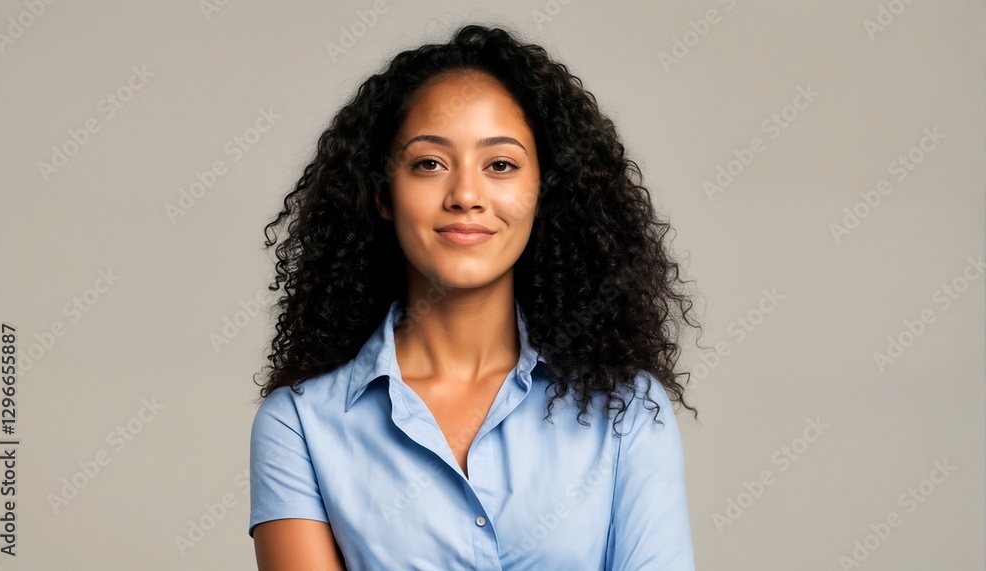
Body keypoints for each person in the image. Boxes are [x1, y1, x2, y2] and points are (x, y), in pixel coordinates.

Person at [248, 23, 702, 570]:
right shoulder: (299, 424)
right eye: (429, 164)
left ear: (544, 193)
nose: (465, 195)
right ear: (383, 195)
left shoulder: (628, 411)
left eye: (501, 165)